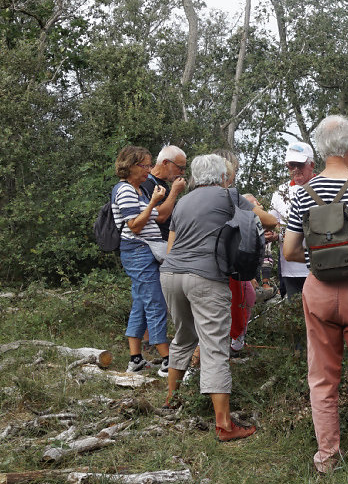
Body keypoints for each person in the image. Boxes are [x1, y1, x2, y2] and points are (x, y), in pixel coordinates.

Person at [283, 115, 348, 477]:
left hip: (319, 292)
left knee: (322, 379)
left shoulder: (302, 193)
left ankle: (327, 459)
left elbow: (289, 250)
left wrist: (319, 258)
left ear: (321, 151)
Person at [159, 154, 256, 441]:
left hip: (171, 274)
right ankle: (224, 425)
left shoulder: (182, 202)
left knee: (183, 336)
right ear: (221, 175)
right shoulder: (229, 196)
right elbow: (262, 219)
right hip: (205, 276)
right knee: (214, 345)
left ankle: (171, 400)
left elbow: (171, 246)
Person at [111, 145, 170, 376]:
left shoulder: (139, 190)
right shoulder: (125, 190)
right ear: (130, 166)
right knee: (155, 302)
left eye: (149, 164)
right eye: (144, 165)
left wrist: (160, 199)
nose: (148, 169)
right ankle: (167, 359)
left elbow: (157, 217)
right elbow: (134, 225)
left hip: (144, 252)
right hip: (138, 252)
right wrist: (153, 202)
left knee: (140, 303)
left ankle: (135, 359)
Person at [216, 149, 277, 354]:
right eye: (235, 169)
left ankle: (230, 342)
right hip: (228, 260)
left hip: (207, 261)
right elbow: (270, 220)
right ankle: (230, 344)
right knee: (236, 302)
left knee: (238, 300)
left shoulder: (194, 197)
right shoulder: (231, 196)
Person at [270, 141, 315, 298]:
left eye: (299, 164)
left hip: (318, 267)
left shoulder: (322, 187)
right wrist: (273, 234)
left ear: (311, 165)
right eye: (290, 165)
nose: (295, 169)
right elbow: (273, 223)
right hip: (290, 270)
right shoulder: (280, 192)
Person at [140, 145, 188, 239]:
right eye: (180, 168)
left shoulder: (162, 184)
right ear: (165, 163)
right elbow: (160, 217)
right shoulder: (146, 183)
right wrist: (174, 191)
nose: (182, 172)